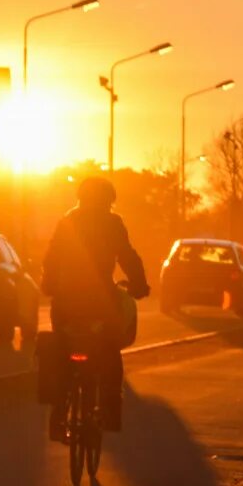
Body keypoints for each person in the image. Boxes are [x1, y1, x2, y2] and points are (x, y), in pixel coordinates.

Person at [40, 176, 148, 439]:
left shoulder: (68, 221)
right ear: (109, 200)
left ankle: (57, 413)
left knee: (61, 345)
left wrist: (49, 285)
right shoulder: (113, 223)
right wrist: (139, 285)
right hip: (102, 300)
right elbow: (127, 255)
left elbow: (52, 257)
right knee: (110, 349)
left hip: (67, 299)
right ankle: (110, 410)